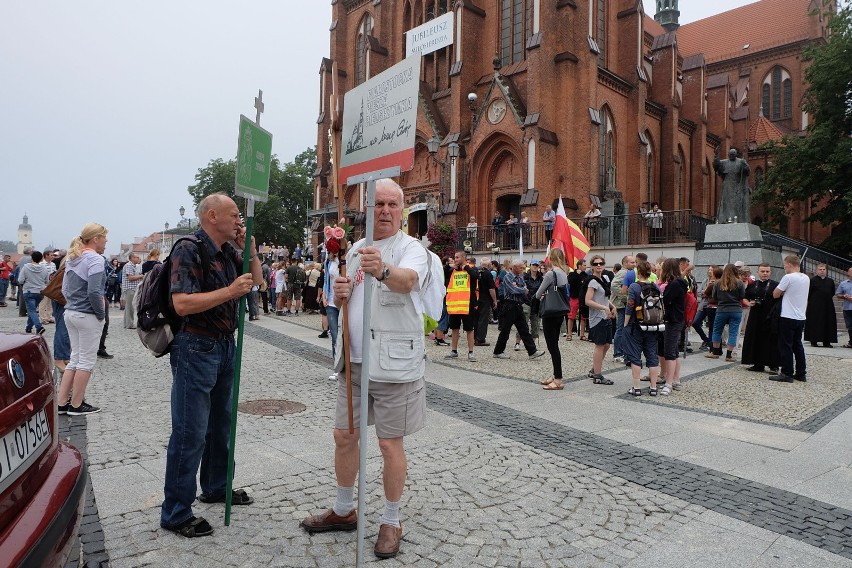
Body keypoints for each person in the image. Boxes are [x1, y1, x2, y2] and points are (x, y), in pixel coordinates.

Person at [300, 179, 428, 559]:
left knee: (389, 444)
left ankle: (391, 519)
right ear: (367, 209)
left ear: (401, 210)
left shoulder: (412, 249)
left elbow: (408, 281)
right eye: (378, 204)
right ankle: (344, 509)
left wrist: (384, 271)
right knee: (343, 435)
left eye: (392, 204)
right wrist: (342, 293)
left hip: (394, 364)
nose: (385, 210)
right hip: (354, 362)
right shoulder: (355, 249)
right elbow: (350, 297)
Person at [160, 193, 262, 538]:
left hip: (224, 346)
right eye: (234, 216)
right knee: (190, 431)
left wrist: (249, 246)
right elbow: (183, 303)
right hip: (196, 345)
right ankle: (175, 511)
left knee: (221, 424)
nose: (239, 221)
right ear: (213, 216)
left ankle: (217, 486)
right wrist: (231, 292)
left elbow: (257, 279)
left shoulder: (227, 251)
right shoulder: (188, 248)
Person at [56, 223, 109, 416]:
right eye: (104, 238)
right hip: (87, 315)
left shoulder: (73, 257)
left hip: (70, 312)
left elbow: (64, 289)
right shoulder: (95, 259)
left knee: (74, 359)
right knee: (86, 361)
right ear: (96, 239)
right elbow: (94, 291)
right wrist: (101, 313)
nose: (106, 242)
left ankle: (62, 403)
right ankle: (77, 405)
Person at [492, 260, 546, 360]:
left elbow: (525, 290)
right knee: (505, 330)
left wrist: (521, 289)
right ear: (514, 267)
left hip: (518, 305)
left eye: (523, 267)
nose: (523, 269)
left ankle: (532, 351)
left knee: (524, 329)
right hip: (509, 306)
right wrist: (521, 289)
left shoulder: (520, 278)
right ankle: (498, 351)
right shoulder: (508, 277)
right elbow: (514, 290)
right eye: (521, 268)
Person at [623, 261, 661, 396]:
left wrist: (625, 324)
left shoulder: (634, 287)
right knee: (652, 355)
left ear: (638, 272)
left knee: (635, 356)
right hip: (652, 326)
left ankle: (637, 387)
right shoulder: (656, 287)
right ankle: (653, 388)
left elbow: (630, 306)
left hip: (636, 326)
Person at [770, 255, 810, 382]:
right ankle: (801, 373)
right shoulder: (806, 277)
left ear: (789, 264)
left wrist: (782, 292)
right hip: (801, 316)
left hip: (788, 316)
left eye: (785, 264)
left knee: (785, 345)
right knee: (797, 345)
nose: (784, 267)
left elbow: (775, 294)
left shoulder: (788, 277)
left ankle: (787, 373)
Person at [536, 248, 569, 390]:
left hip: (549, 313)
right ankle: (556, 375)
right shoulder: (564, 273)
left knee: (552, 346)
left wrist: (543, 295)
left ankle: (558, 379)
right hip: (560, 312)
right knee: (554, 344)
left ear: (551, 257)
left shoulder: (550, 274)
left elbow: (538, 294)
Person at [741, 263, 780, 373]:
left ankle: (773, 365)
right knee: (755, 338)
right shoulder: (753, 285)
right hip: (755, 316)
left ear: (770, 272)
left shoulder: (775, 285)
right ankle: (758, 363)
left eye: (767, 271)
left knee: (771, 340)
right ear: (758, 272)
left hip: (770, 316)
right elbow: (744, 297)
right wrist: (748, 303)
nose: (765, 273)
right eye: (762, 271)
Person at [658, 258, 688, 396]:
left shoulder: (674, 284)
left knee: (669, 352)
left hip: (672, 320)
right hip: (677, 319)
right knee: (674, 351)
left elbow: (664, 301)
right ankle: (675, 379)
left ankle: (668, 383)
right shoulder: (680, 282)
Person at [585, 255, 616, 385]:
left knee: (607, 345)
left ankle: (594, 369)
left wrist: (611, 305)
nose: (599, 265)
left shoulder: (603, 279)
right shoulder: (592, 282)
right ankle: (597, 375)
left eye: (601, 263)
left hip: (605, 316)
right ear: (592, 266)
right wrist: (604, 307)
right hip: (597, 318)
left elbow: (602, 298)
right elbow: (588, 301)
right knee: (599, 345)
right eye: (596, 263)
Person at [444, 250, 479, 362]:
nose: (455, 259)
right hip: (454, 305)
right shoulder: (452, 270)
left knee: (469, 329)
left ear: (464, 258)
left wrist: (465, 268)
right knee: (454, 329)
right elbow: (442, 272)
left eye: (457, 257)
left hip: (467, 304)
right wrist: (450, 265)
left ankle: (471, 352)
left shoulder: (471, 268)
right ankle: (454, 351)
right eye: (455, 257)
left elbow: (475, 276)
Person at [706, 264, 745, 361]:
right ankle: (729, 355)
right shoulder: (740, 283)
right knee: (733, 332)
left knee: (717, 331)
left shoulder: (717, 283)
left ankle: (715, 352)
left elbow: (714, 297)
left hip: (721, 310)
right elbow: (742, 296)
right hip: (736, 310)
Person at [713, 148, 751, 223]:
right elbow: (716, 166)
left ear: (736, 155)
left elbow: (747, 172)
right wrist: (716, 156)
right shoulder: (724, 162)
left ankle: (737, 219)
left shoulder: (741, 161)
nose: (731, 156)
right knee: (726, 203)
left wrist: (744, 166)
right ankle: (726, 218)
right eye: (730, 155)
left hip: (738, 185)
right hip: (727, 185)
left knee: (737, 204)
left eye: (733, 155)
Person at [804, 264, 838, 348]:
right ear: (817, 271)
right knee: (814, 322)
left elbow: (832, 292)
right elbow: (808, 293)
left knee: (828, 322)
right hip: (815, 306)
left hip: (827, 306)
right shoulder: (812, 281)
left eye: (823, 269)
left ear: (826, 270)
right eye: (820, 269)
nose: (822, 271)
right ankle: (814, 341)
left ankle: (827, 342)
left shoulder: (830, 281)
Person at [18, 250, 50, 335]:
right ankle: (28, 328)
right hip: (40, 292)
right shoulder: (44, 269)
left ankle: (39, 327)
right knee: (32, 311)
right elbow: (47, 281)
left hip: (28, 291)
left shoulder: (26, 267)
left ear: (31, 258)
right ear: (41, 259)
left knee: (31, 311)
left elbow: (20, 280)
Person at [611, 255, 634, 363]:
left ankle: (622, 352)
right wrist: (624, 297)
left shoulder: (628, 272)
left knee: (624, 328)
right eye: (632, 262)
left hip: (623, 303)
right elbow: (614, 285)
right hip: (621, 304)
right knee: (621, 328)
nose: (634, 264)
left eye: (635, 262)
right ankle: (618, 353)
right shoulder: (623, 273)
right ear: (625, 263)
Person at [474, 258, 497, 346]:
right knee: (483, 319)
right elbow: (491, 289)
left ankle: (475, 337)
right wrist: (494, 300)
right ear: (489, 265)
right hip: (485, 299)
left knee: (476, 318)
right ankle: (480, 339)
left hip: (475, 298)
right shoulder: (488, 274)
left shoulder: (475, 272)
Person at [567, 259, 588, 340]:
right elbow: (570, 282)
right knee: (571, 316)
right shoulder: (572, 274)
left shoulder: (586, 275)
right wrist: (577, 274)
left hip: (583, 298)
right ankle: (569, 334)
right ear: (579, 266)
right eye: (584, 265)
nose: (586, 267)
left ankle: (582, 334)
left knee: (583, 317)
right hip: (574, 297)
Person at [122, 253, 143, 328]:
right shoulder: (129, 265)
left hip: (133, 288)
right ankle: (130, 324)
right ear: (132, 258)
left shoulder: (134, 266)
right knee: (130, 307)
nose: (138, 258)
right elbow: (130, 278)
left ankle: (127, 323)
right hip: (130, 288)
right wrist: (141, 276)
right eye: (137, 257)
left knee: (128, 307)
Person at [837, 267, 852, 349]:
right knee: (849, 326)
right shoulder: (843, 283)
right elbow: (838, 294)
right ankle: (851, 342)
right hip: (847, 308)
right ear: (848, 273)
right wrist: (844, 296)